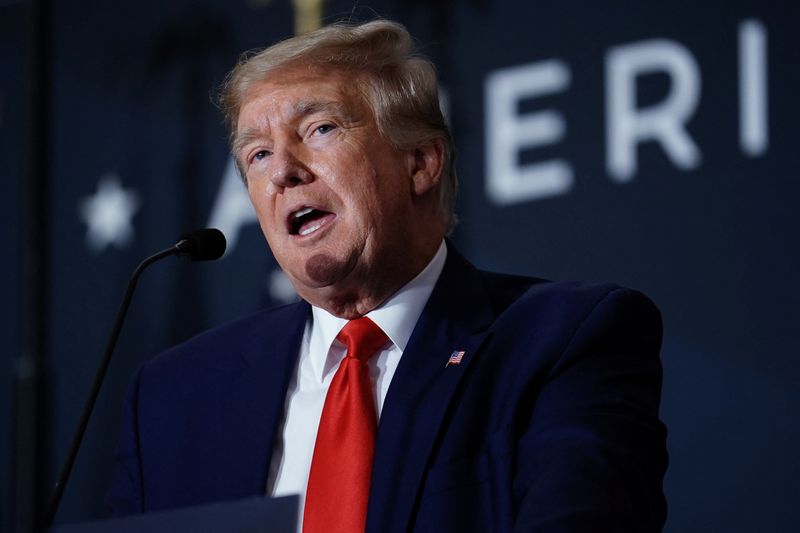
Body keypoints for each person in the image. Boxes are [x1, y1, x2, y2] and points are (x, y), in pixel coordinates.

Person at [107, 19, 668, 532]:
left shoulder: (560, 343)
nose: (282, 171)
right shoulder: (173, 397)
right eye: (256, 155)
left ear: (421, 161)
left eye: (320, 129)